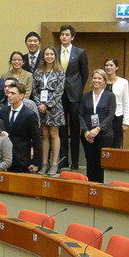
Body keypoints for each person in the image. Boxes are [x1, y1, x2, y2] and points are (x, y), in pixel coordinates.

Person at [57, 25, 89, 171]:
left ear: (72, 37)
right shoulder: (55, 52)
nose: (64, 37)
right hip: (59, 95)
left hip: (74, 95)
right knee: (62, 130)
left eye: (67, 34)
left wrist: (78, 89)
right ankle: (64, 160)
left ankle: (75, 161)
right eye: (62, 34)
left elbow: (84, 73)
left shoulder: (80, 52)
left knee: (75, 129)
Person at [80, 69, 117, 183]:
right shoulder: (85, 96)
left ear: (104, 81)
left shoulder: (110, 96)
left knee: (101, 162)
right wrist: (86, 131)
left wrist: (98, 128)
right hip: (88, 135)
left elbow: (111, 115)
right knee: (90, 161)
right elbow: (80, 115)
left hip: (104, 134)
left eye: (99, 78)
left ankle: (100, 187)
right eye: (94, 78)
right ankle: (90, 186)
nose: (96, 80)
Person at [34, 46, 65, 176]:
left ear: (55, 56)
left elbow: (59, 91)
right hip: (40, 108)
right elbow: (35, 90)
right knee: (44, 135)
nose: (49, 56)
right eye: (47, 54)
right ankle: (44, 163)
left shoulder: (60, 72)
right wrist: (39, 104)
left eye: (51, 54)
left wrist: (47, 104)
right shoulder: (37, 71)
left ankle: (54, 164)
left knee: (53, 134)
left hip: (55, 107)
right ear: (43, 56)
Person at [0, 82, 41, 173]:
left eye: (13, 93)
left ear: (21, 96)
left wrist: (36, 163)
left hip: (22, 159)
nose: (9, 95)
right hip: (4, 158)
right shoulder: (3, 112)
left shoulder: (29, 115)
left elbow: (36, 140)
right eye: (9, 93)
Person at [103, 58, 129, 147]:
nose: (108, 67)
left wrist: (125, 122)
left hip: (117, 116)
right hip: (103, 116)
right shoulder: (101, 81)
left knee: (116, 143)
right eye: (106, 65)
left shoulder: (123, 82)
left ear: (117, 68)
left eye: (111, 65)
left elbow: (126, 102)